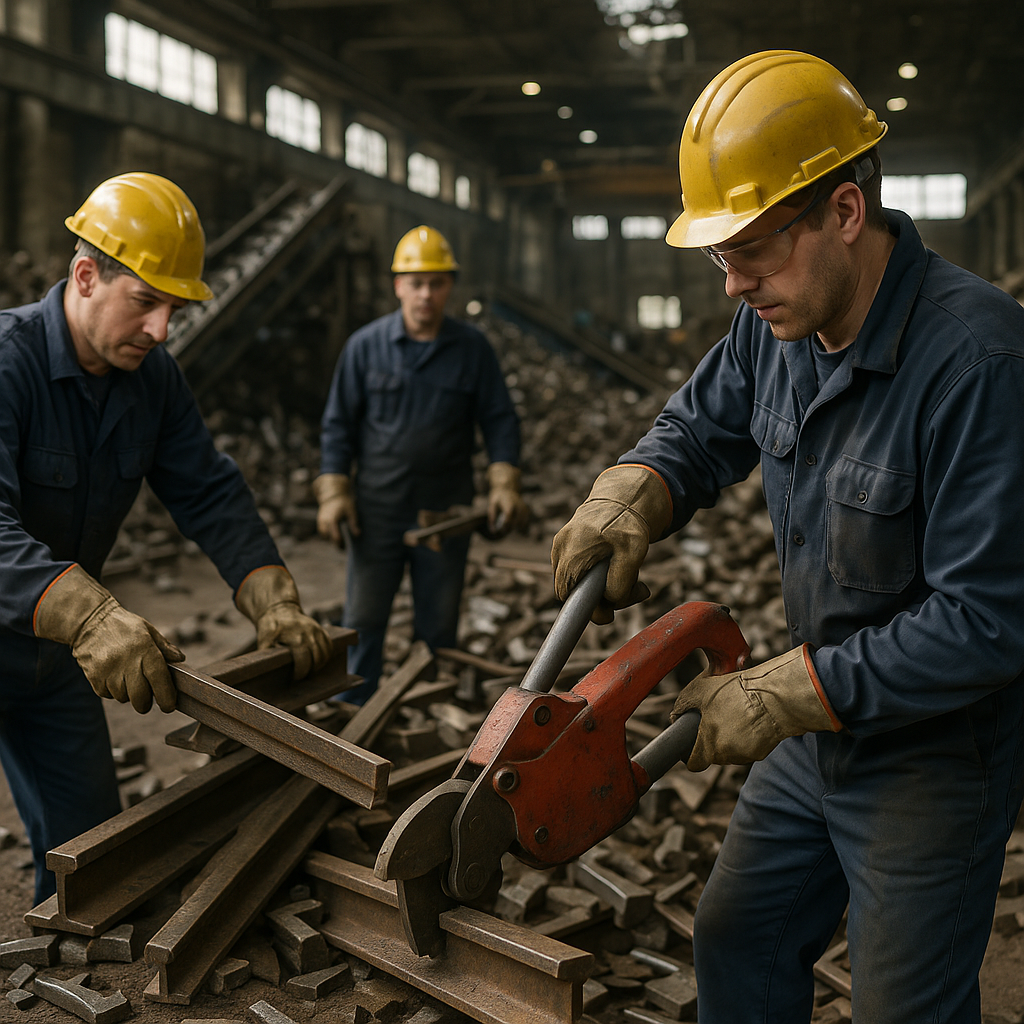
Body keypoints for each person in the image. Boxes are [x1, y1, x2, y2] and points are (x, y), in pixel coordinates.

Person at [551, 50, 1024, 1022]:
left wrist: (783, 690)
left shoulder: (978, 361)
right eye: (717, 256)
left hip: (933, 750)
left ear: (843, 214)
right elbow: (696, 430)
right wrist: (631, 489)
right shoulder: (777, 327)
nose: (732, 284)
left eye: (751, 250)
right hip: (818, 733)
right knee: (739, 936)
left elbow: (989, 617)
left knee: (904, 1010)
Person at [0, 172, 332, 905]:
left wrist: (272, 599)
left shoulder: (152, 378)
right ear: (85, 276)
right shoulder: (7, 362)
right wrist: (91, 616)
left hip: (50, 658)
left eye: (174, 309)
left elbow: (208, 490)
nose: (161, 331)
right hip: (53, 624)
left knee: (92, 856)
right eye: (145, 303)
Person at [315, 225, 526, 703]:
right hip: (377, 513)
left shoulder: (473, 350)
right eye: (415, 282)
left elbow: (500, 421)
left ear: (449, 285)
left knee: (437, 625)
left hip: (446, 514)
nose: (425, 294)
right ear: (398, 285)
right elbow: (337, 425)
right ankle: (353, 719)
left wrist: (504, 483)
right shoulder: (364, 348)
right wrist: (334, 493)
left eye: (435, 282)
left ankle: (432, 712)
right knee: (364, 620)